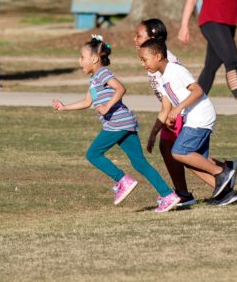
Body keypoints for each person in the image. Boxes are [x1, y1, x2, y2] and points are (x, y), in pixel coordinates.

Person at [52, 36, 181, 213]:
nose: (79, 61)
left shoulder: (103, 73)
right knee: (139, 163)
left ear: (95, 59)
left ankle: (122, 180)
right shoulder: (94, 80)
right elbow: (87, 101)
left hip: (117, 123)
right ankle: (168, 195)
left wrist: (107, 106)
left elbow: (121, 88)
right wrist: (64, 107)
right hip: (125, 123)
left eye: (82, 57)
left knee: (93, 154)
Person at [135, 19, 235, 207]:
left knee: (180, 152)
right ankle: (225, 193)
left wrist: (178, 109)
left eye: (144, 59)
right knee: (193, 159)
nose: (143, 64)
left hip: (198, 116)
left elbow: (197, 90)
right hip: (191, 117)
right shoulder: (163, 75)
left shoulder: (173, 68)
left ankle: (222, 171)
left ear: (157, 55)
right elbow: (166, 105)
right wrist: (153, 132)